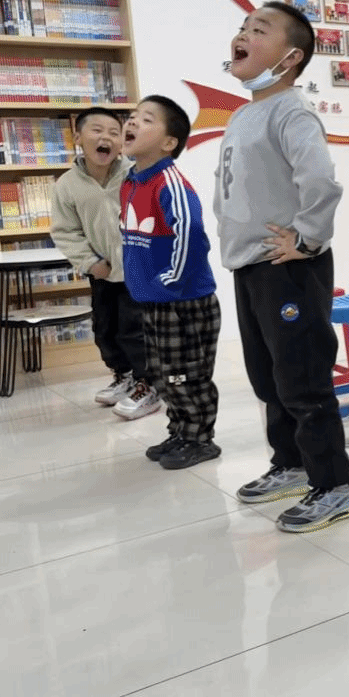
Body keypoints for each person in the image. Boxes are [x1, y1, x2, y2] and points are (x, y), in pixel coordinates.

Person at [215, 0, 349, 532]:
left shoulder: (291, 111)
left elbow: (320, 178)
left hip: (287, 266)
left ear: (291, 56)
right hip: (251, 266)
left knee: (302, 379)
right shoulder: (244, 113)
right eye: (243, 27)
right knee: (269, 377)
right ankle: (292, 464)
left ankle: (335, 484)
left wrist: (307, 236)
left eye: (260, 29)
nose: (243, 34)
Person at [119, 96, 221, 470]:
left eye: (146, 119)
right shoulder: (131, 182)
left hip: (182, 301)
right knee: (165, 375)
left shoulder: (170, 183)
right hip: (153, 300)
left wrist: (168, 282)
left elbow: (190, 235)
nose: (132, 122)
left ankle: (199, 439)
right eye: (132, 117)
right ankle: (180, 431)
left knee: (186, 375)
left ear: (169, 142)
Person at [51, 107, 161, 420]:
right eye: (97, 131)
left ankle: (148, 385)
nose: (106, 138)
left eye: (115, 133)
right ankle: (124, 377)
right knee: (105, 330)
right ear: (77, 138)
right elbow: (65, 231)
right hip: (102, 271)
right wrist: (90, 262)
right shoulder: (67, 185)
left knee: (135, 331)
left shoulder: (138, 174)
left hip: (139, 272)